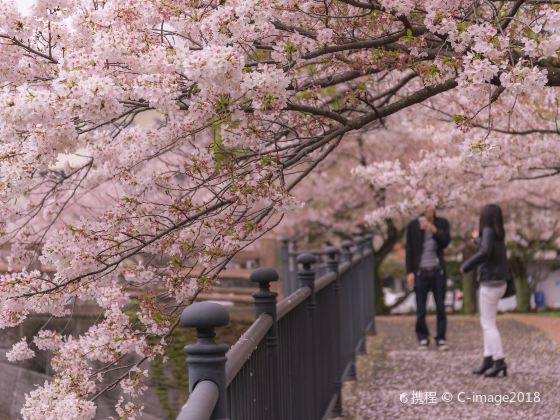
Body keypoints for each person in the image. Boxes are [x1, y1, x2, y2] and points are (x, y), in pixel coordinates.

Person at [460, 204, 510, 377]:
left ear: (485, 217)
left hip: (490, 283)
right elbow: (487, 248)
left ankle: (499, 361)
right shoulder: (498, 232)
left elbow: (485, 252)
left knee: (488, 324)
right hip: (501, 282)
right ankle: (488, 359)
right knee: (488, 322)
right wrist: (478, 239)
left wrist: (466, 266)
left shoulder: (487, 230)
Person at [406, 206, 451, 351]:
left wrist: (434, 229)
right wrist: (410, 272)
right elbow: (409, 250)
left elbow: (446, 241)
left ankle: (441, 338)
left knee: (440, 308)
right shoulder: (413, 226)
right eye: (426, 206)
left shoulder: (442, 223)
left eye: (431, 206)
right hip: (421, 272)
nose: (429, 209)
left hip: (438, 271)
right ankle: (422, 338)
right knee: (420, 309)